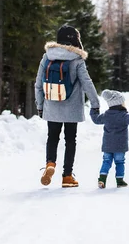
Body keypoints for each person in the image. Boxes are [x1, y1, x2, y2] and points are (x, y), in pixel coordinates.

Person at [35, 24, 100, 188]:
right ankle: (67, 176)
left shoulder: (47, 57)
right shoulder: (76, 59)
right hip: (71, 108)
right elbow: (87, 83)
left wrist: (40, 105)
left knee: (52, 137)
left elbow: (38, 84)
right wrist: (95, 103)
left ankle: (50, 163)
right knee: (70, 140)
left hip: (52, 106)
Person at [90, 90, 129, 188]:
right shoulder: (123, 115)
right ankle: (119, 181)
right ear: (120, 103)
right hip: (120, 146)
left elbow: (96, 120)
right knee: (120, 162)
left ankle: (102, 179)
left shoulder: (106, 115)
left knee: (106, 161)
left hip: (107, 145)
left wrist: (94, 110)